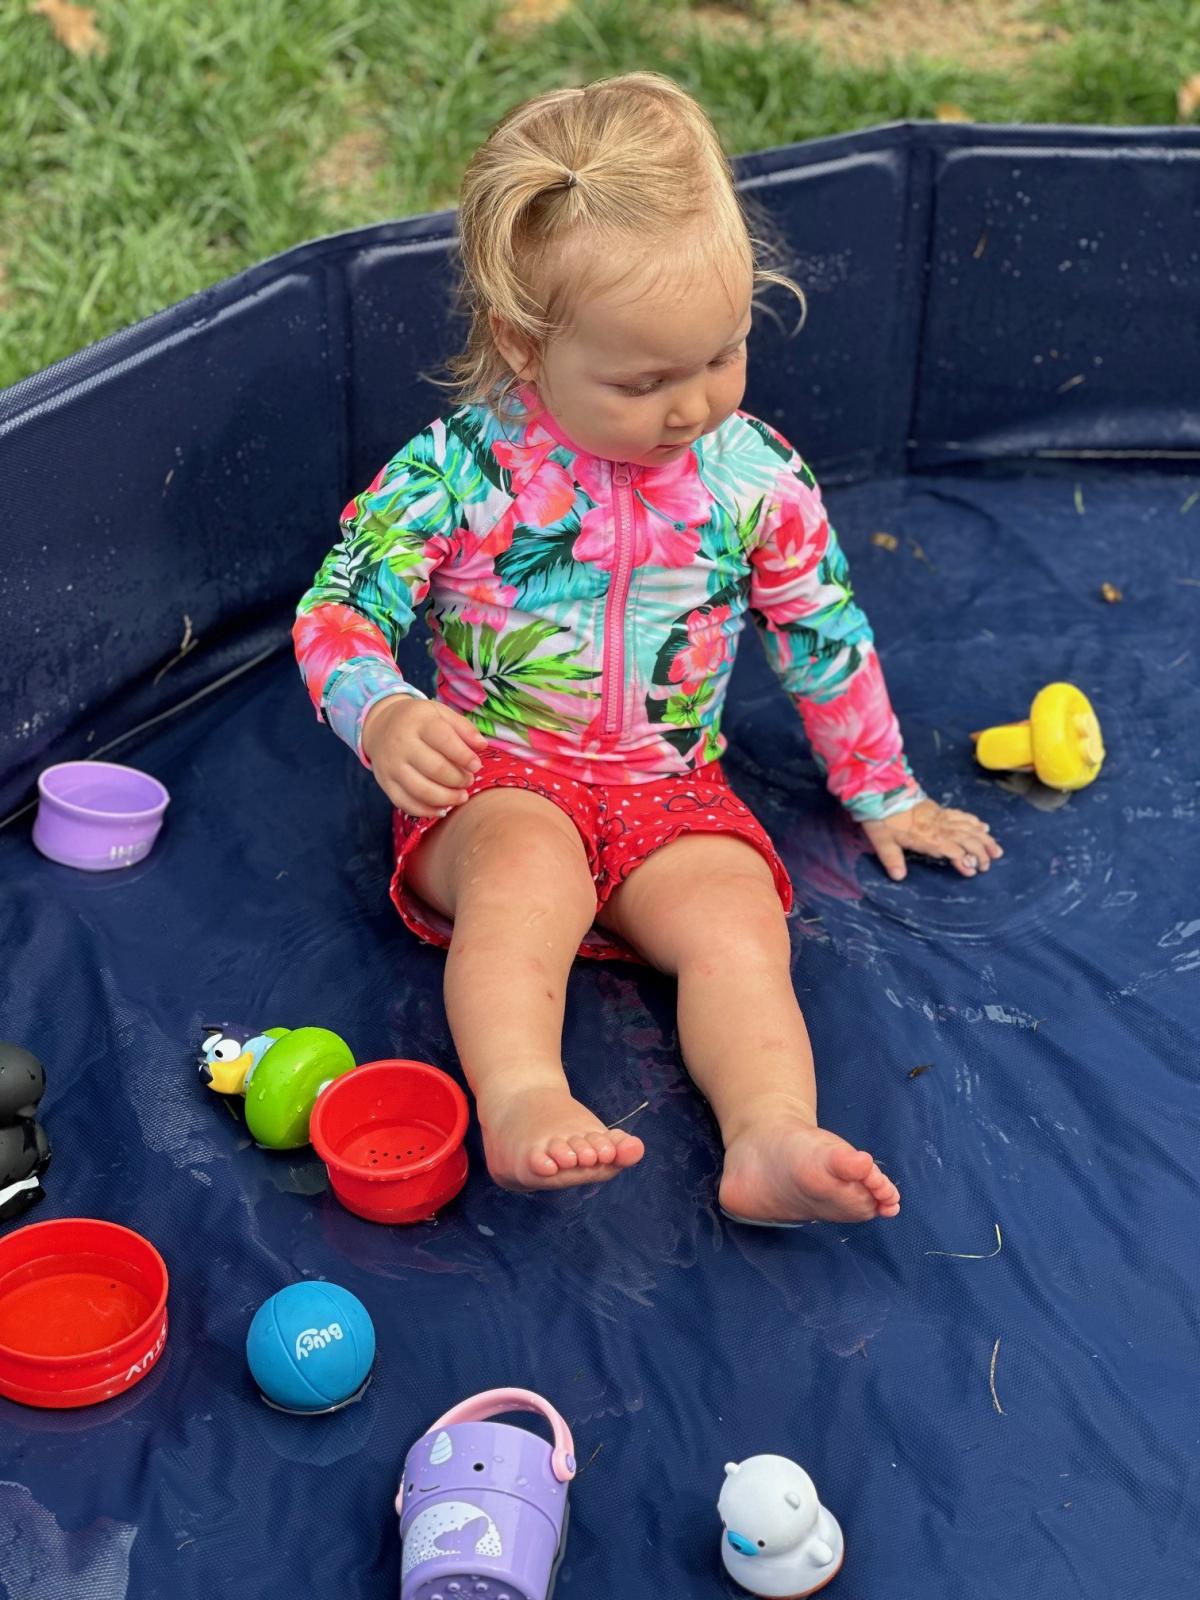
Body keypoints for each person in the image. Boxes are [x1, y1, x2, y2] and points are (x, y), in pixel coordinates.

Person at [294, 73, 1001, 1224]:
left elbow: (822, 630)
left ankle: (770, 1135)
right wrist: (380, 710)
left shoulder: (753, 478)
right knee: (526, 882)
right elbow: (339, 609)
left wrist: (883, 788)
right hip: (498, 782)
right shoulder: (460, 472)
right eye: (644, 380)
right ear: (525, 344)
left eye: (723, 354)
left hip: (669, 789)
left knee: (740, 922)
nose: (692, 406)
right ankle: (524, 1095)